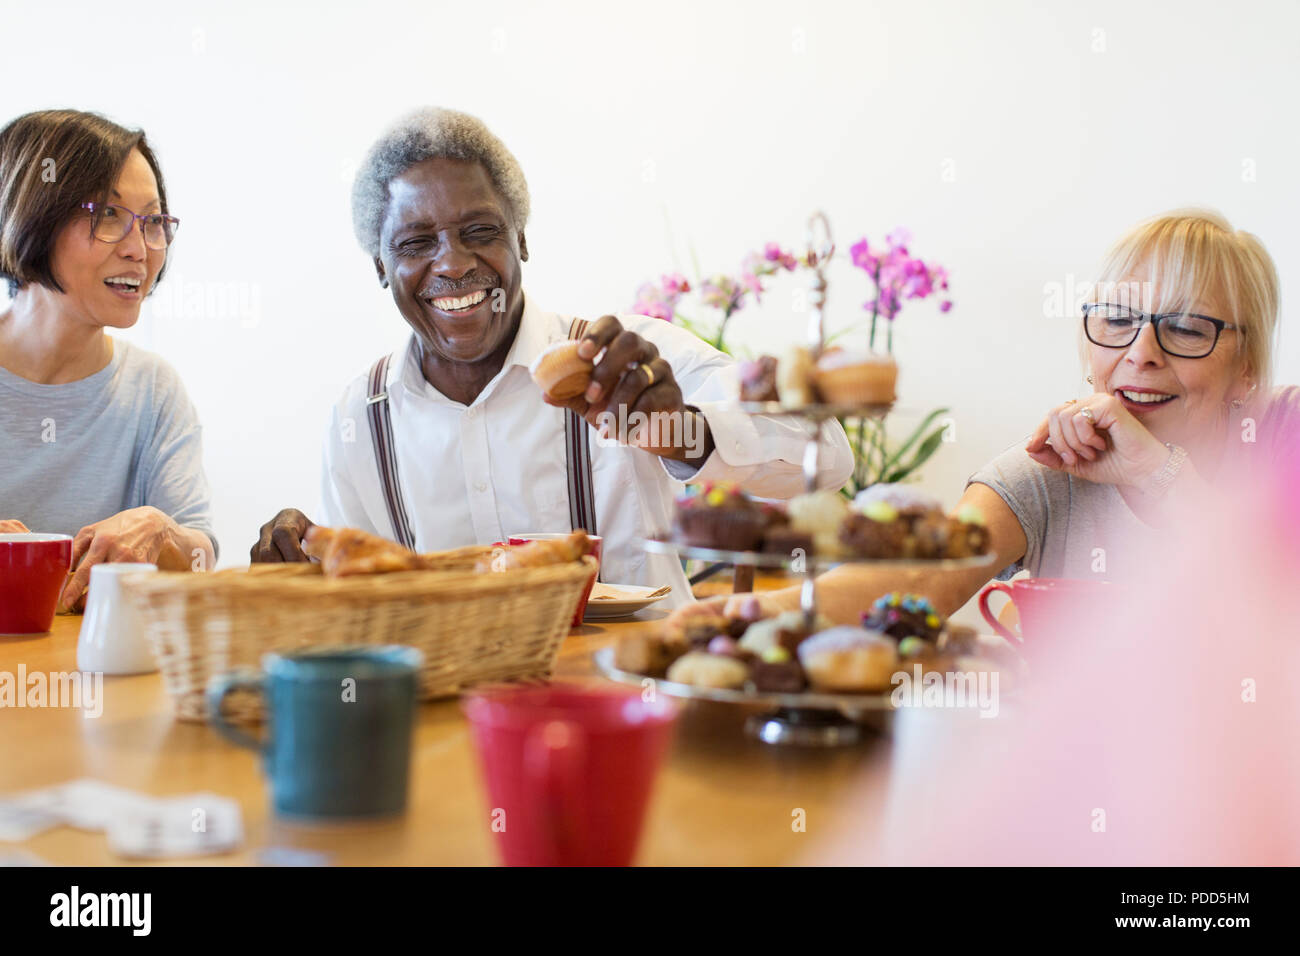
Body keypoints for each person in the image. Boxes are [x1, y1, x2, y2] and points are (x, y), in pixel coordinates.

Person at [250, 107, 852, 603]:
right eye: (415, 243)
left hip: (635, 708)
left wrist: (678, 433)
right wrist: (300, 564)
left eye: (479, 231)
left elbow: (826, 456)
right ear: (382, 267)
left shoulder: (626, 359)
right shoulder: (360, 419)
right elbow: (361, 609)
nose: (454, 264)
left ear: (522, 238)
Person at [691, 209, 1299, 624]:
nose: (1141, 352)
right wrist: (749, 614)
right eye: (1117, 320)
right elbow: (923, 580)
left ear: (1246, 368)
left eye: (1186, 329)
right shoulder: (1056, 469)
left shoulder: (1282, 440)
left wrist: (1157, 473)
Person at [0, 110, 216, 611]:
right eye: (109, 215)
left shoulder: (153, 389)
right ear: (30, 215)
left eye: (154, 221)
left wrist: (164, 534)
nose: (140, 250)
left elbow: (203, 554)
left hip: (101, 681)